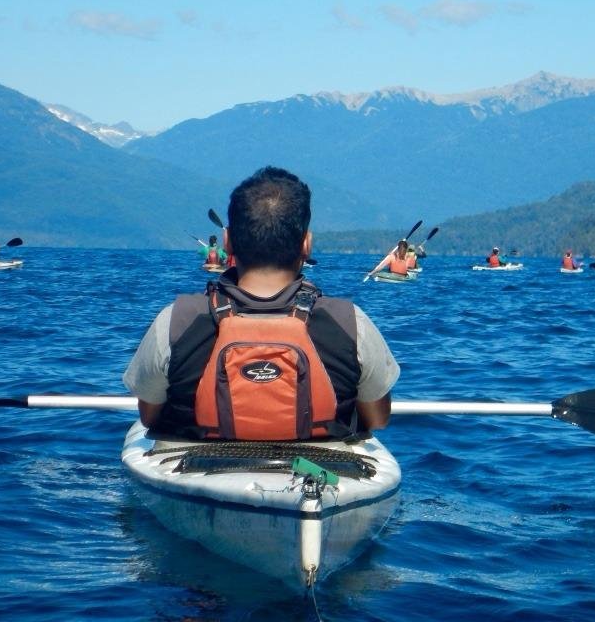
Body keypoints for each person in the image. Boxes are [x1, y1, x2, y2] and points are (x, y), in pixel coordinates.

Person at [123, 166, 399, 439]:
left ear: (227, 243)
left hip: (193, 471)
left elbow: (149, 415)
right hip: (321, 474)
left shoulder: (175, 321)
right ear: (307, 244)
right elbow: (377, 418)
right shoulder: (351, 323)